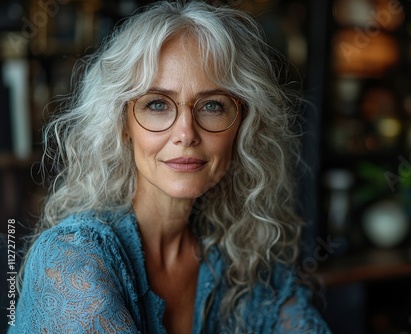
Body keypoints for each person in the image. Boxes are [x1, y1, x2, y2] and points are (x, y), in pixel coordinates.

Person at [11, 1, 332, 333]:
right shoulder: (70, 259)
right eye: (157, 104)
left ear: (244, 127)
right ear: (122, 123)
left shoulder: (246, 266)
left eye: (212, 105)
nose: (186, 134)